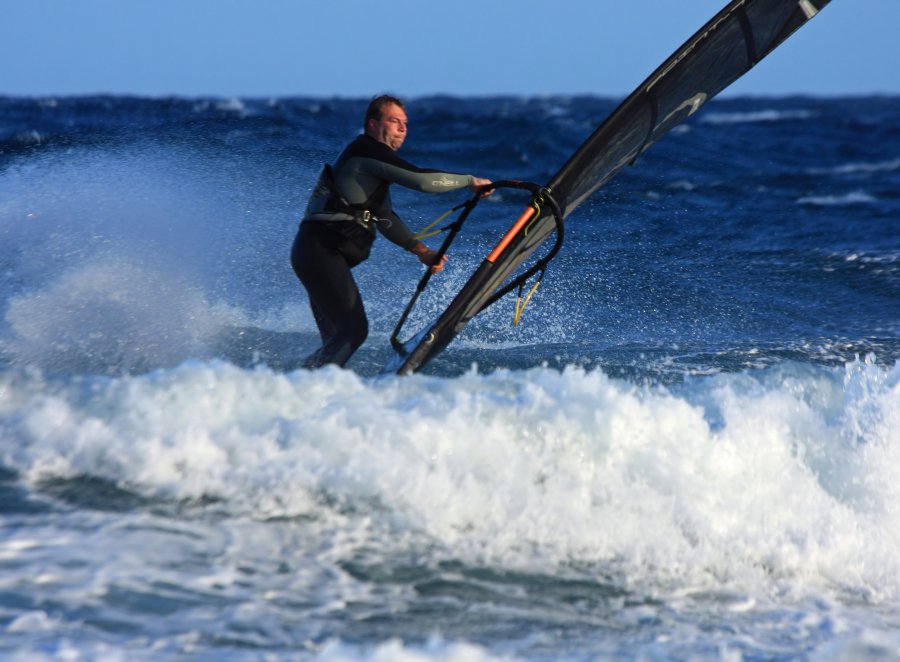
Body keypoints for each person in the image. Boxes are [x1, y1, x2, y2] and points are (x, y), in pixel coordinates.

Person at [291, 94, 492, 369]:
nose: (402, 128)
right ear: (373, 125)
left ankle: (301, 388)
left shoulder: (369, 173)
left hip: (314, 253)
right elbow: (421, 180)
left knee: (337, 342)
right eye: (394, 121)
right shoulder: (365, 150)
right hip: (320, 251)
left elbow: (385, 219)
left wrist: (422, 251)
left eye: (405, 123)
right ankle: (297, 386)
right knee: (353, 331)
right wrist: (469, 181)